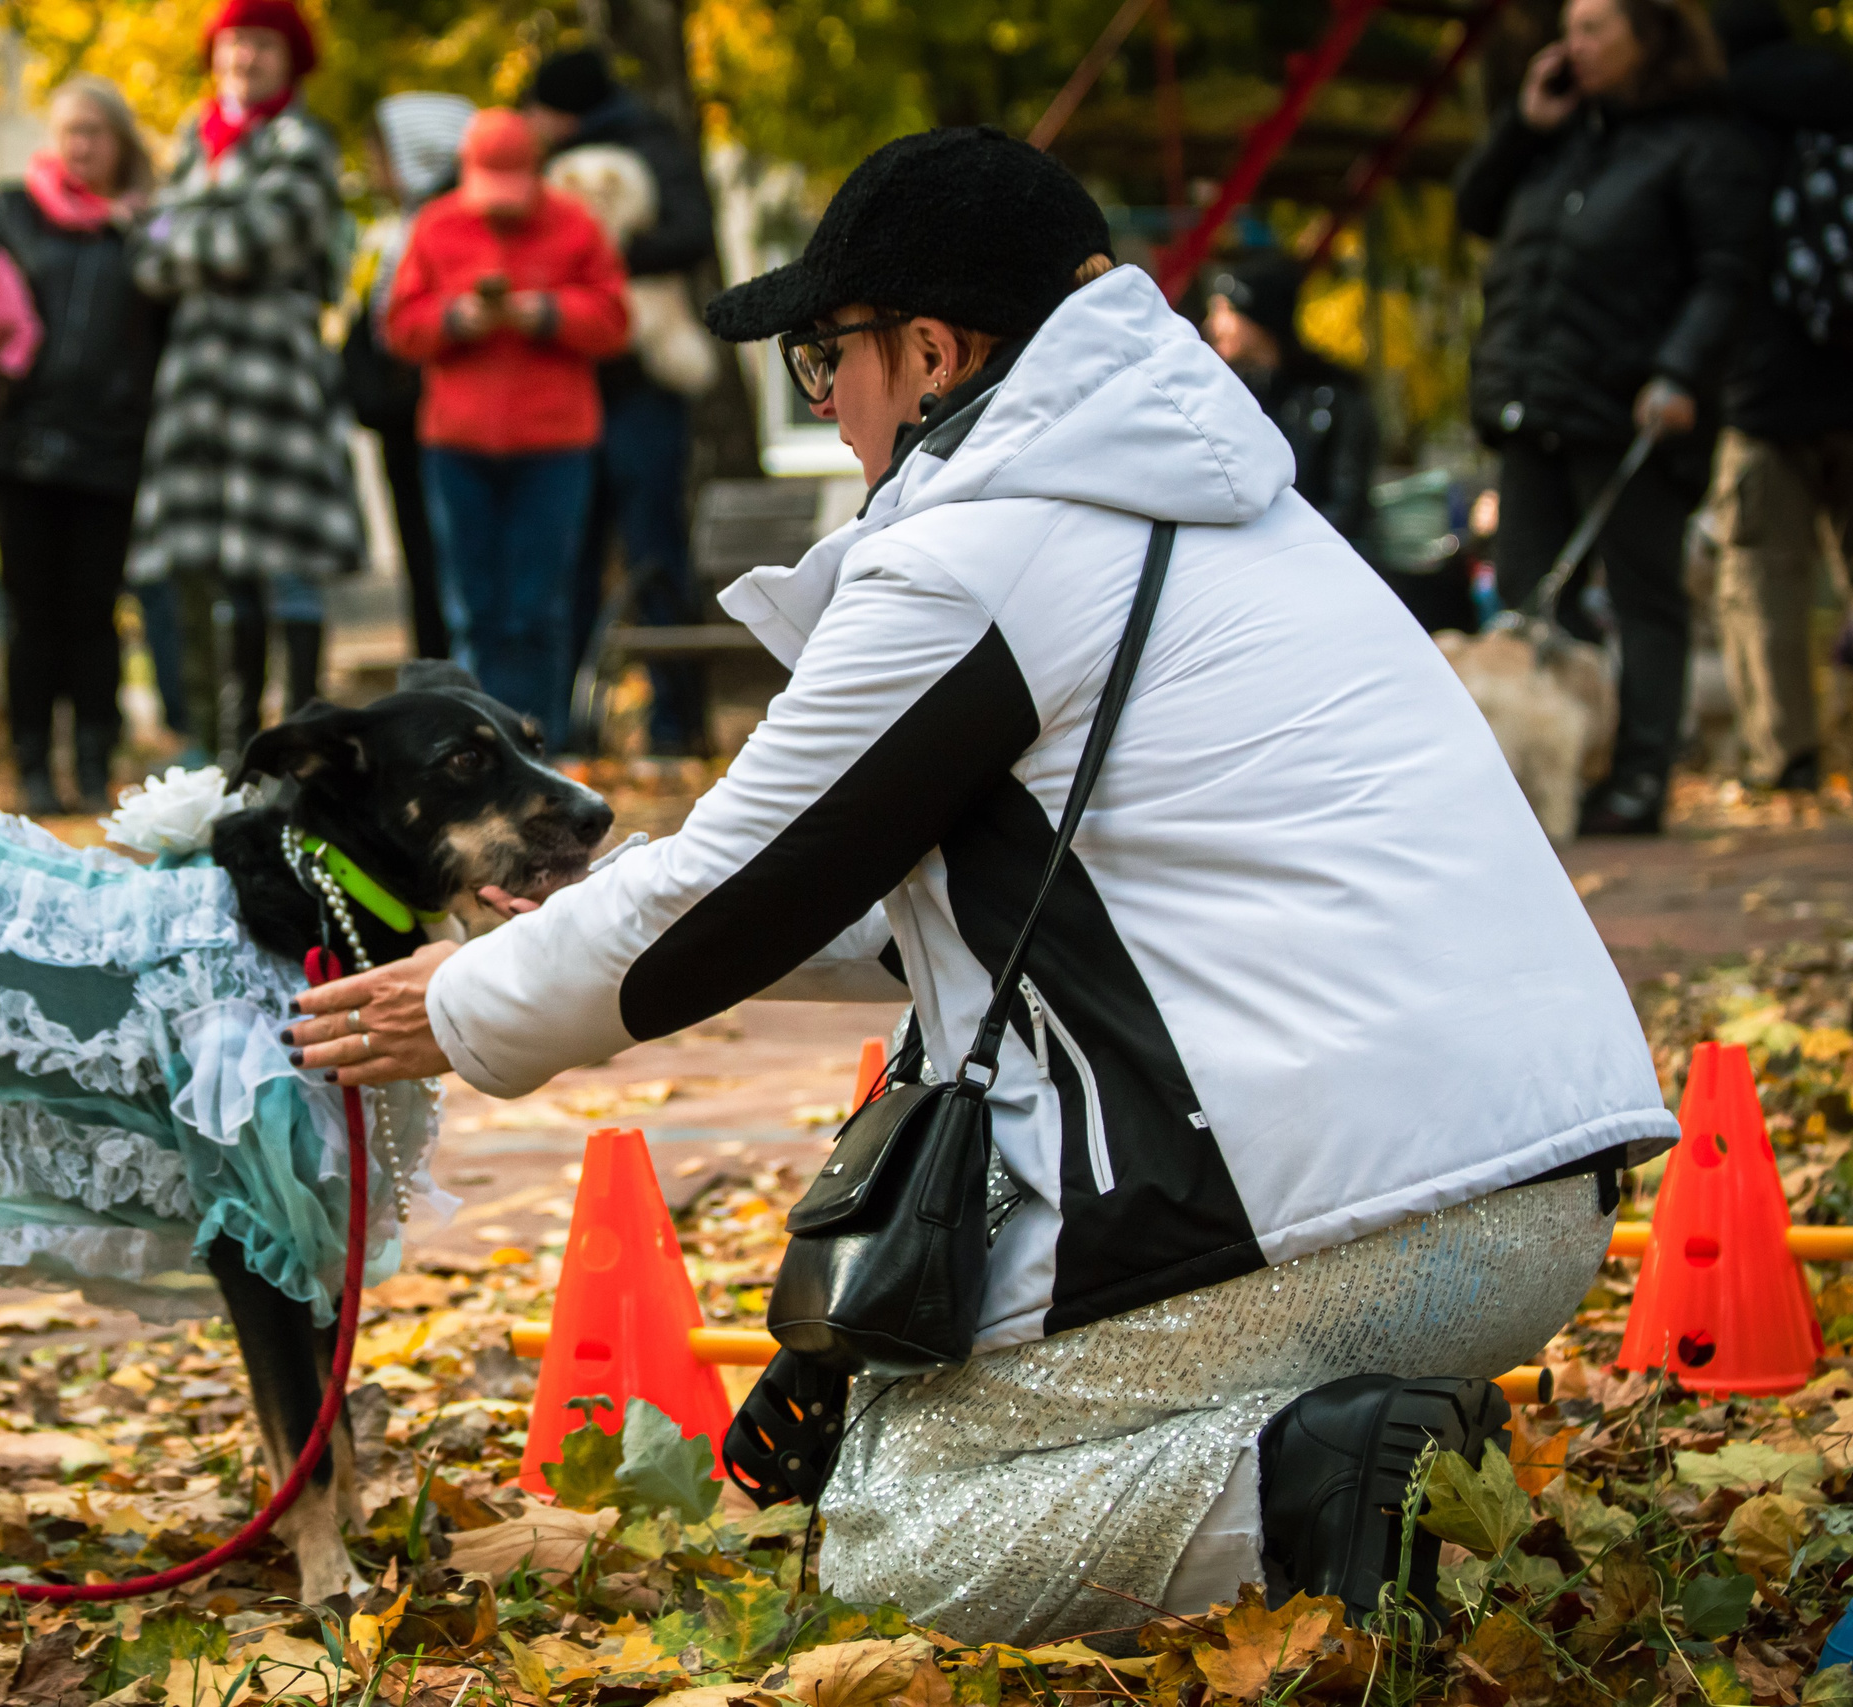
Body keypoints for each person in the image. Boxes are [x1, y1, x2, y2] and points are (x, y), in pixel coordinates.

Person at [286, 127, 1674, 1643]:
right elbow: (900, 892)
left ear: (932, 352)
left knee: (898, 1522)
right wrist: (559, 930)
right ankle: (1375, 1445)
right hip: (1534, 1179)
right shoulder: (1239, 514)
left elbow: (737, 885)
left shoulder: (985, 554)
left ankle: (1320, 1478)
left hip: (1361, 1208)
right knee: (909, 1416)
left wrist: (474, 1000)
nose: (826, 402)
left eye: (828, 357)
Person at [1456, 0, 1762, 834]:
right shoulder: (1560, 139)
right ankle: (1536, 777)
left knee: (1643, 596)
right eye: (1571, 28)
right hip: (1533, 400)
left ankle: (1635, 780)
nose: (1573, 45)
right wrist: (1523, 124)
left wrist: (1678, 370)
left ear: (1651, 34)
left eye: (1596, 28)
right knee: (1527, 600)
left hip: (1632, 410)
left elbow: (1727, 273)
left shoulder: (1705, 144)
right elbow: (1474, 211)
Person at [0, 78, 165, 814]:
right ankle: (32, 764)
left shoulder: (148, 228)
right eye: (69, 131)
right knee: (31, 614)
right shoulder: (8, 212)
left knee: (94, 613)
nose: (81, 146)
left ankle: (91, 758)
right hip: (17, 453)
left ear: (121, 143)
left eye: (96, 132)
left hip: (112, 450)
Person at [129, 0, 363, 759]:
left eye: (262, 45)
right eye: (234, 44)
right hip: (198, 383)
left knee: (286, 561)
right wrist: (191, 238)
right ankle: (226, 746)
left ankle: (297, 741)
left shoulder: (304, 141)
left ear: (288, 59)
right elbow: (146, 254)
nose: (245, 58)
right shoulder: (191, 142)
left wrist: (183, 238)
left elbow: (258, 238)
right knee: (212, 565)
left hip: (277, 378)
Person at [384, 109, 629, 745]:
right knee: (475, 611)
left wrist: (541, 313)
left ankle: (540, 743)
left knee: (539, 608)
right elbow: (401, 327)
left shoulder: (575, 225)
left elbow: (613, 320)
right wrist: (456, 320)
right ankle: (477, 747)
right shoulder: (436, 227)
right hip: (457, 446)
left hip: (555, 447)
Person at [525, 47, 718, 755]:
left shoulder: (647, 146)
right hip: (575, 381)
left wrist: (596, 261)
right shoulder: (566, 159)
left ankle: (675, 721)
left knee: (651, 548)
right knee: (576, 555)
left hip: (639, 378)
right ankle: (578, 726)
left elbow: (689, 235)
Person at [1706, 0, 1853, 793]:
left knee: (1764, 582)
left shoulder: (1721, 125)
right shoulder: (1839, 98)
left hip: (1763, 393)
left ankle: (1786, 758)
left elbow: (1715, 263)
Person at [345, 93, 479, 663]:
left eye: (385, 152)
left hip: (441, 419)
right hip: (401, 422)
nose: (376, 168)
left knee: (446, 567)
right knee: (423, 570)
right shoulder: (393, 228)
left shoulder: (452, 225)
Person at [1203, 251, 1379, 552]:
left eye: (1225, 311)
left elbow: (1347, 506)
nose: (1212, 325)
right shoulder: (1229, 394)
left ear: (1259, 318)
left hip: (1317, 562)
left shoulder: (1333, 397)